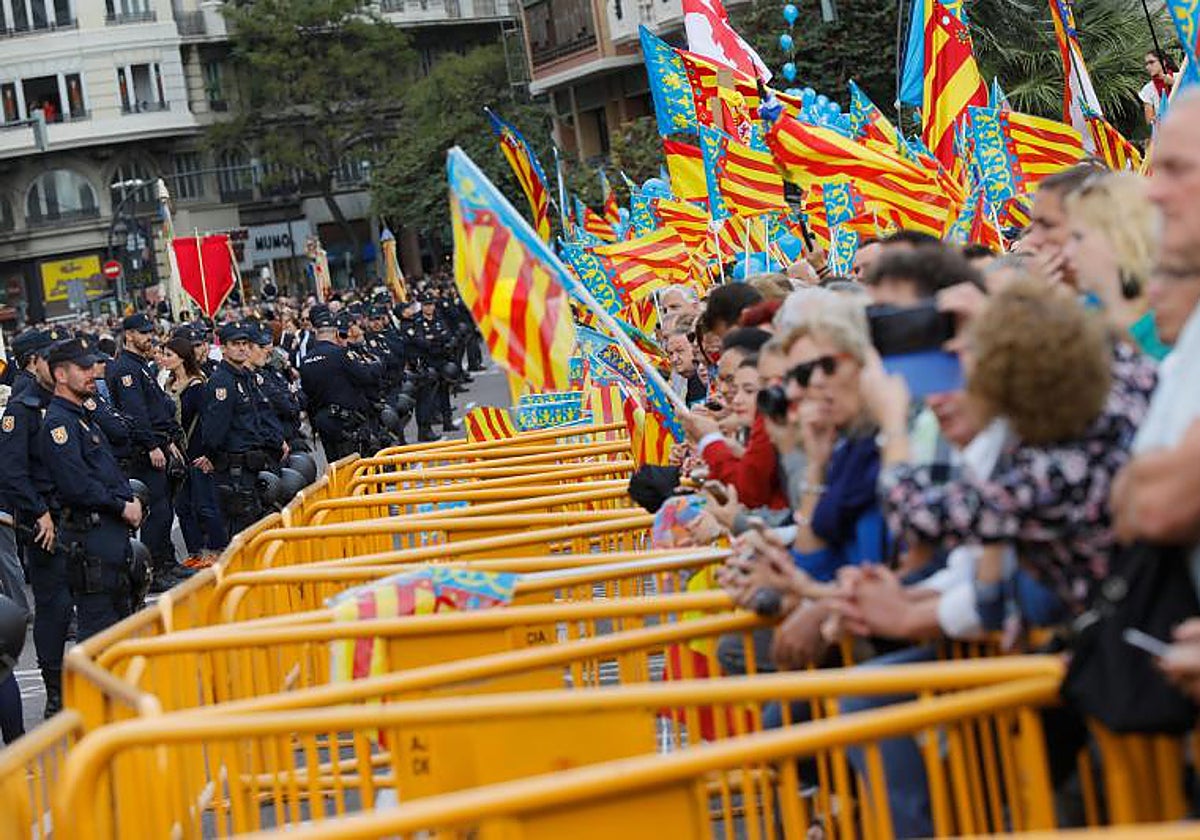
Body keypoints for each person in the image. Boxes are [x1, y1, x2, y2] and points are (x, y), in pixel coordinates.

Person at [39, 337, 143, 641]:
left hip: (108, 534)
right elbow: (77, 485)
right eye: (82, 368)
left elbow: (104, 470)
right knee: (100, 633)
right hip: (92, 538)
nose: (92, 373)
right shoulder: (60, 424)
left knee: (121, 624)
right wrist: (122, 505)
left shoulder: (82, 417)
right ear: (60, 375)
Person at [0, 329, 66, 716]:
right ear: (33, 361)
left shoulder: (64, 400)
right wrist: (34, 510)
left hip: (72, 519)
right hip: (39, 517)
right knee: (51, 608)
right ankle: (55, 691)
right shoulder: (20, 408)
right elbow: (13, 469)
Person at [106, 313, 191, 589]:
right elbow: (137, 414)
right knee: (156, 511)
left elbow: (156, 408)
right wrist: (153, 445)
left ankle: (167, 562)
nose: (149, 337)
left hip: (158, 443)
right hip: (144, 451)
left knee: (165, 509)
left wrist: (167, 442)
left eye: (149, 331)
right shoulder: (126, 369)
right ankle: (155, 570)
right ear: (129, 335)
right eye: (143, 333)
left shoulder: (140, 365)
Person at [1062, 171, 1169, 359]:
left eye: (1078, 237)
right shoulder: (1076, 322)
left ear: (1122, 238)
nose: (1067, 252)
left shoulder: (1171, 334)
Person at [200, 321, 287, 539]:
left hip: (252, 464)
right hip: (234, 469)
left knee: (258, 526)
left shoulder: (245, 377)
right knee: (242, 531)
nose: (241, 348)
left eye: (245, 343)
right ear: (223, 348)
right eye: (235, 343)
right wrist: (215, 456)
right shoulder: (223, 382)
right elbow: (214, 431)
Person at [161, 336, 225, 569]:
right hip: (178, 457)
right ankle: (195, 553)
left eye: (168, 355)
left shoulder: (198, 386)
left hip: (198, 453)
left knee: (206, 505)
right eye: (163, 354)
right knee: (184, 507)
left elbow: (209, 421)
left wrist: (210, 454)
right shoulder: (167, 385)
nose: (164, 359)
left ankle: (218, 550)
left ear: (181, 357)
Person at [300, 305, 389, 457]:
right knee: (355, 468)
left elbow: (307, 393)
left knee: (336, 468)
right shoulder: (340, 354)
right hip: (346, 424)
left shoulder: (306, 361)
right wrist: (376, 365)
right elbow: (365, 376)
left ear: (315, 332)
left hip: (324, 423)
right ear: (335, 332)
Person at [1140, 52, 1177, 127]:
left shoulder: (1180, 77)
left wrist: (1174, 84)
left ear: (1163, 62)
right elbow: (1149, 121)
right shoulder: (1147, 89)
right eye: (1146, 64)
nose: (1148, 67)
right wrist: (1154, 120)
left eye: (1151, 62)